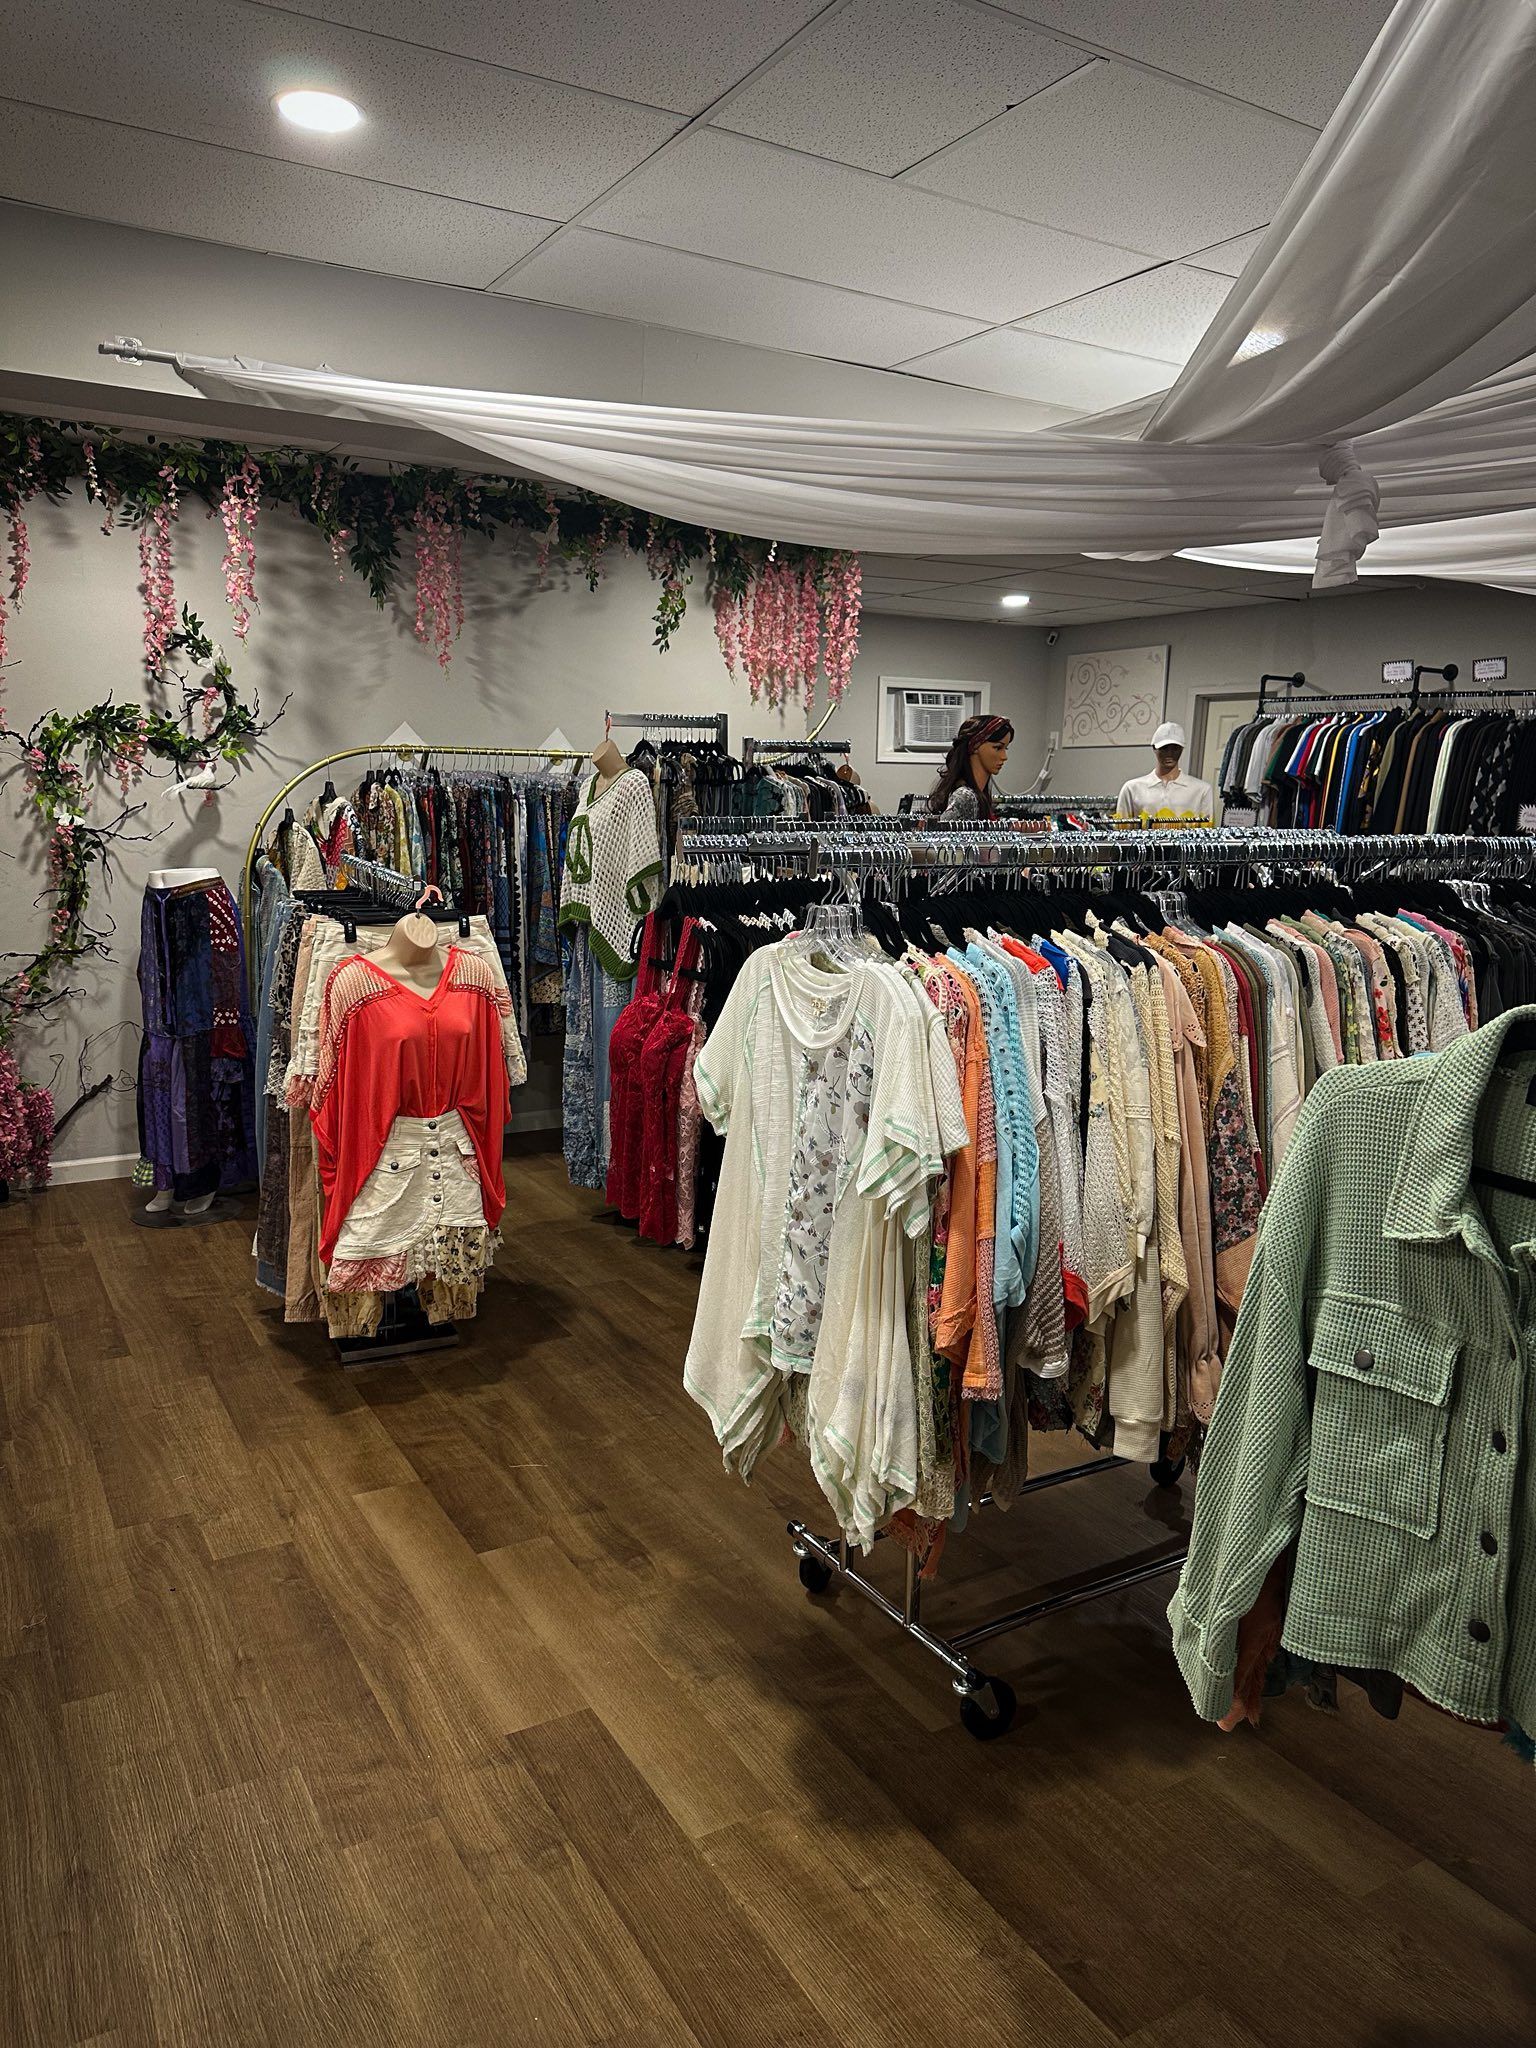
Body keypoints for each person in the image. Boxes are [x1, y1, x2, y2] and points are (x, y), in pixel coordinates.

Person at [1115, 720, 1214, 823]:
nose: (1169, 753)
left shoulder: (1201, 790)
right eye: (1164, 748)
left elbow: (1208, 833)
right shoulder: (1132, 789)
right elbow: (1122, 833)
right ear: (1154, 748)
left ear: (1182, 749)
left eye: (1175, 748)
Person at [927, 714, 1014, 819]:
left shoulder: (978, 796)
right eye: (998, 748)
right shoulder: (965, 797)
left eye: (1006, 749)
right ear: (976, 746)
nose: (1004, 757)